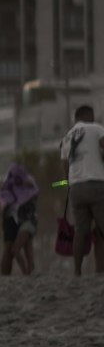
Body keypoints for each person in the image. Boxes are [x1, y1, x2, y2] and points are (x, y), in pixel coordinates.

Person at [59, 104, 104, 276]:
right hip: (96, 184)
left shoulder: (67, 137)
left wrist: (69, 184)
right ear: (89, 116)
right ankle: (100, 270)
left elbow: (65, 169)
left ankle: (77, 271)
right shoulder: (96, 128)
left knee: (81, 231)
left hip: (76, 188)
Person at [0, 162, 39, 276]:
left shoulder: (29, 185)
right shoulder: (9, 186)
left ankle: (28, 273)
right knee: (15, 249)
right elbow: (4, 200)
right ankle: (26, 273)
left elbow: (52, 184)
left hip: (26, 222)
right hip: (16, 219)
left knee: (19, 249)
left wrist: (67, 182)